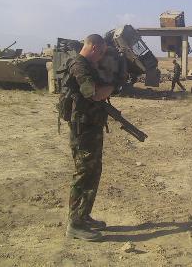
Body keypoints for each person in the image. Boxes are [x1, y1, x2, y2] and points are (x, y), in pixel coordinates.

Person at [65, 34, 114, 241]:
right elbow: (92, 93)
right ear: (93, 47)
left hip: (91, 126)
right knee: (84, 173)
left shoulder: (88, 65)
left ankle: (84, 215)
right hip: (83, 128)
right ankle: (75, 224)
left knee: (94, 171)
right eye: (101, 52)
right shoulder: (79, 65)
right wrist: (113, 86)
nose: (101, 57)